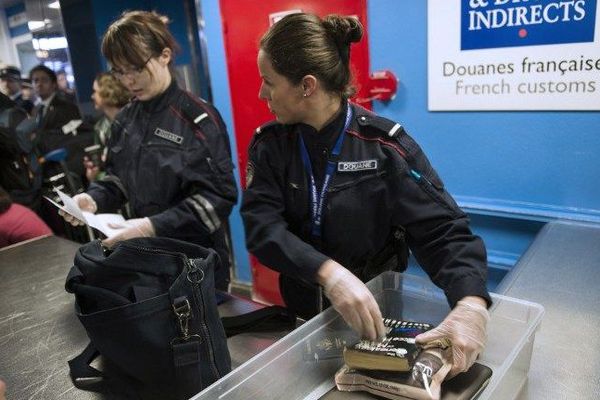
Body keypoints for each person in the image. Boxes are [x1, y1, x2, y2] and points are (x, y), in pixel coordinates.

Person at [241, 13, 490, 378]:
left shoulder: (383, 146)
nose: (262, 93)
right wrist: (327, 273)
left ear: (307, 85)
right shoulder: (271, 145)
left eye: (269, 82)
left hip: (378, 317)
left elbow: (442, 229)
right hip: (304, 316)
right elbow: (261, 227)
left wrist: (470, 302)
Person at [61, 11, 238, 289]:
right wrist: (92, 199)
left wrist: (151, 225)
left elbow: (218, 199)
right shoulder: (125, 119)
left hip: (197, 265)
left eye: (136, 68)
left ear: (165, 55)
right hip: (145, 260)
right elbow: (117, 179)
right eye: (119, 71)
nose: (129, 80)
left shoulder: (197, 119)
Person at [84, 72, 130, 182]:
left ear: (108, 92)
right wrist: (94, 173)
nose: (92, 96)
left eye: (95, 91)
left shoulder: (133, 119)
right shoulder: (100, 127)